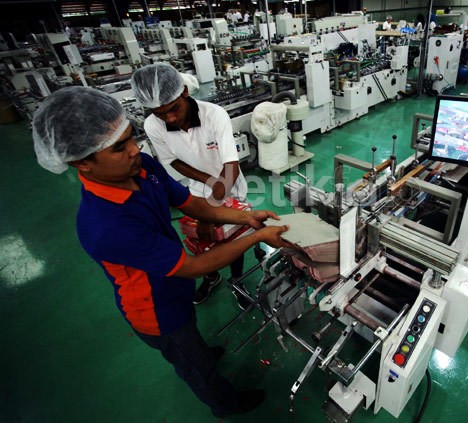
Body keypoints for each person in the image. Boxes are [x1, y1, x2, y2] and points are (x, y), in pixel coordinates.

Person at [31, 86, 289, 418]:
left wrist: (244, 218)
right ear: (83, 162)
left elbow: (191, 203)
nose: (134, 150)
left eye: (131, 137)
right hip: (156, 310)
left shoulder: (143, 168)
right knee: (194, 365)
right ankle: (225, 404)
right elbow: (193, 267)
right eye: (119, 147)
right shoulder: (105, 225)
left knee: (192, 335)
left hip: (174, 287)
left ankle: (200, 352)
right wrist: (258, 237)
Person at [131, 63, 251, 309]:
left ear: (184, 92)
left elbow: (230, 165)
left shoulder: (214, 115)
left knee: (231, 236)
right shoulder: (153, 125)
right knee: (201, 238)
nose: (170, 118)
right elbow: (172, 161)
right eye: (160, 113)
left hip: (230, 185)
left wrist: (211, 210)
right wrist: (207, 182)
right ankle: (211, 275)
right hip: (197, 189)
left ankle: (237, 280)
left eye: (173, 109)